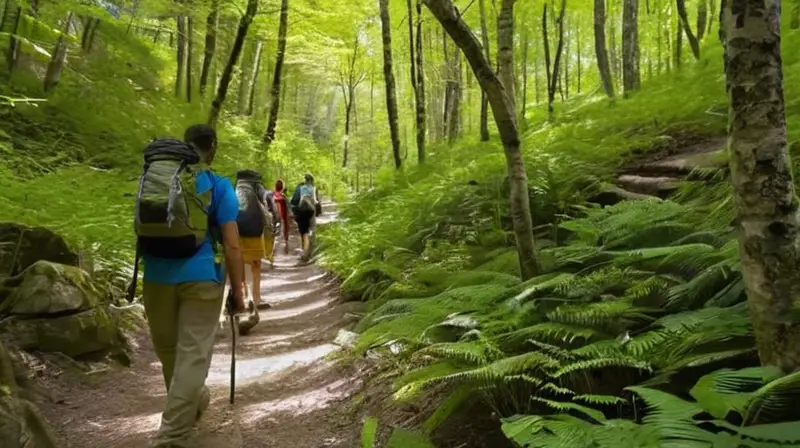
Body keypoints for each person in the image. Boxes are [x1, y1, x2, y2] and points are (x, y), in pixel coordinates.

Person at [136, 124, 245, 447]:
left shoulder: (158, 180)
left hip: (155, 275)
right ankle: (171, 437)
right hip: (202, 277)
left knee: (171, 352)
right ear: (212, 147)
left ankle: (191, 403)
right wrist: (239, 293)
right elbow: (232, 245)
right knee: (193, 355)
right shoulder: (217, 184)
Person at [234, 169, 272, 335]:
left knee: (243, 269)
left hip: (237, 235)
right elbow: (267, 213)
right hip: (253, 235)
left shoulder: (235, 191)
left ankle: (245, 300)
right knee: (255, 268)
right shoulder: (254, 191)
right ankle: (254, 299)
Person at [290, 173, 321, 262]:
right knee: (312, 228)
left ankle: (304, 251)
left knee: (304, 231)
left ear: (305, 180)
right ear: (311, 181)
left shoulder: (301, 188)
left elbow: (297, 200)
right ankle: (310, 252)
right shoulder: (313, 188)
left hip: (302, 210)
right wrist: (317, 204)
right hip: (311, 210)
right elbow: (315, 200)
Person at [273, 179, 290, 254]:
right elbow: (287, 208)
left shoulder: (272, 195)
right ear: (282, 187)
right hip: (282, 218)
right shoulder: (283, 196)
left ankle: (273, 250)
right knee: (284, 232)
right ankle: (286, 246)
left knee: (274, 234)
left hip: (273, 218)